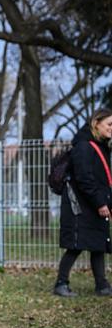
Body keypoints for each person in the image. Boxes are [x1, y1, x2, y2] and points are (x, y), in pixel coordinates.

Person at [55, 108, 112, 297]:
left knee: (98, 244)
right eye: (109, 124)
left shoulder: (100, 145)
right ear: (97, 124)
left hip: (92, 203)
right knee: (76, 244)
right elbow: (84, 178)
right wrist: (100, 203)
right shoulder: (84, 147)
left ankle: (102, 285)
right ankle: (61, 283)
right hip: (78, 205)